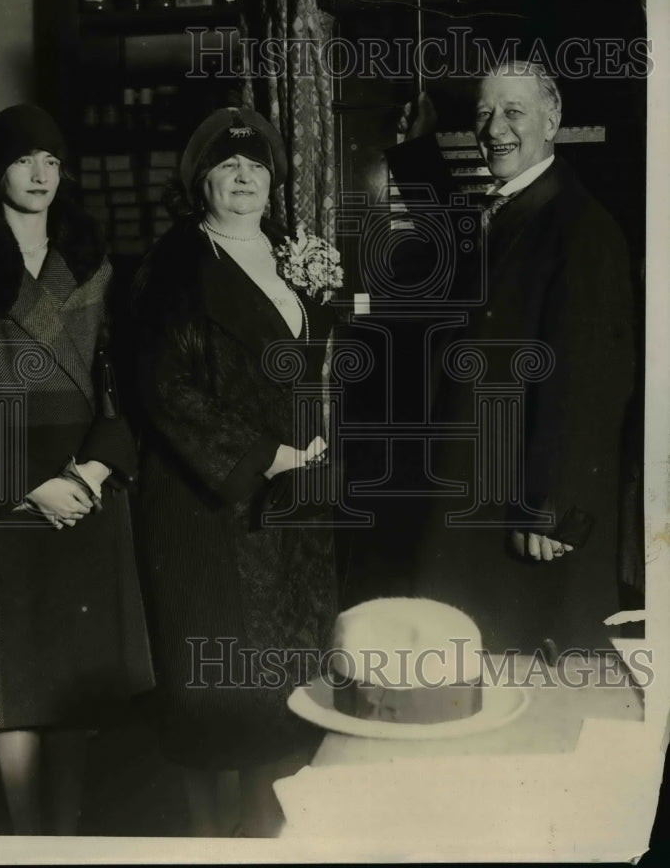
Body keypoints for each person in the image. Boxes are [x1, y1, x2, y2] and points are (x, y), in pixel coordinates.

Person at [132, 106, 337, 838]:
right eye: (227, 166)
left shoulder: (292, 255)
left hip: (293, 504)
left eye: (256, 166)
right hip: (209, 509)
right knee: (217, 685)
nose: (244, 177)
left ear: (274, 180)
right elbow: (163, 388)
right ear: (201, 184)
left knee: (288, 680)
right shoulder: (174, 267)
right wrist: (261, 455)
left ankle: (270, 829)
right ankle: (210, 841)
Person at [384, 62, 636, 656]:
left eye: (514, 112)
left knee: (523, 682)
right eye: (483, 113)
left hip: (521, 508)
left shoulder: (582, 229)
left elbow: (591, 384)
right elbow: (458, 241)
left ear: (552, 120)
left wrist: (547, 505)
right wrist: (419, 151)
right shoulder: (511, 209)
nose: (495, 128)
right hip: (474, 489)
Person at [0, 104, 154, 834]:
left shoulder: (93, 259)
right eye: (22, 159)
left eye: (53, 160)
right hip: (2, 481)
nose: (40, 175)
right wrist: (25, 486)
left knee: (72, 682)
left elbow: (121, 382)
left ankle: (61, 839)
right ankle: (22, 835)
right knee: (12, 679)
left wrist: (93, 473)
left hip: (82, 476)